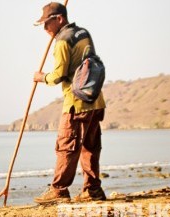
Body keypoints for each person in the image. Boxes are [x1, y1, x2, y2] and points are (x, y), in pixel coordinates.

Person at [33, 2, 107, 204]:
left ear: (59, 19)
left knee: (67, 146)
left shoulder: (63, 42)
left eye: (47, 23)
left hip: (76, 104)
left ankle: (59, 191)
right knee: (90, 146)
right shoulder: (83, 33)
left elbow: (58, 75)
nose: (45, 29)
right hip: (95, 100)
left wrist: (41, 77)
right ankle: (93, 190)